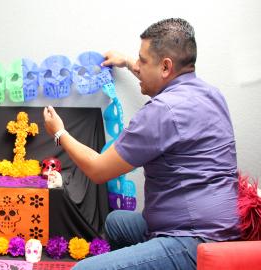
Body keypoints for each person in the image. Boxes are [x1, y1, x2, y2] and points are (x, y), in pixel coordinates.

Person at [43, 18, 239, 270]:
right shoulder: (211, 94)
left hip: (195, 240)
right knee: (116, 222)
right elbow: (160, 78)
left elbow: (98, 170)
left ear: (166, 66)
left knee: (82, 269)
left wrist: (59, 132)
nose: (139, 66)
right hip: (220, 226)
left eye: (143, 61)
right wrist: (126, 61)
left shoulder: (162, 112)